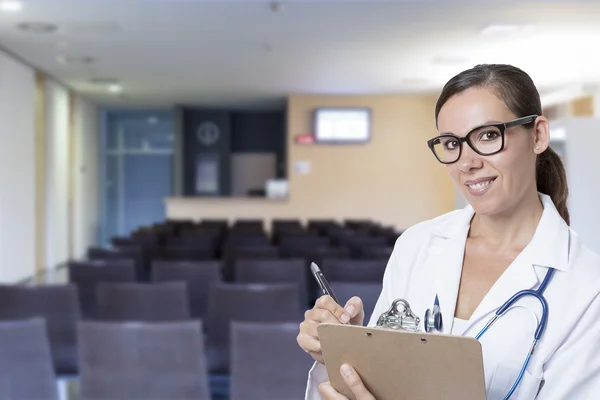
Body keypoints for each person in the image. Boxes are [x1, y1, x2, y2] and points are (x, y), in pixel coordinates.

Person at [297, 64, 600, 400]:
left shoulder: (587, 288)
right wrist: (349, 353)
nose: (465, 162)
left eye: (487, 135)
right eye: (451, 143)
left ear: (538, 135)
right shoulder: (417, 245)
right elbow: (382, 381)